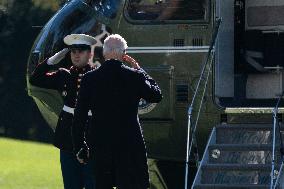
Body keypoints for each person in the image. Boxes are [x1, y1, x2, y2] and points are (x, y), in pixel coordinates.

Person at [72, 34, 163, 189]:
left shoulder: (89, 78)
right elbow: (156, 95)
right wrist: (140, 70)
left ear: (104, 53)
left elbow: (79, 116)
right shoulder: (135, 76)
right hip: (129, 146)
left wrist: (80, 146)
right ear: (124, 54)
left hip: (100, 145)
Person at [29, 34, 97, 189]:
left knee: (92, 184)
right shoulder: (64, 75)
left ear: (90, 54)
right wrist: (51, 61)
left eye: (81, 51)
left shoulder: (97, 76)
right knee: (71, 184)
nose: (76, 55)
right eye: (73, 51)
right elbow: (35, 79)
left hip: (91, 137)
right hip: (67, 137)